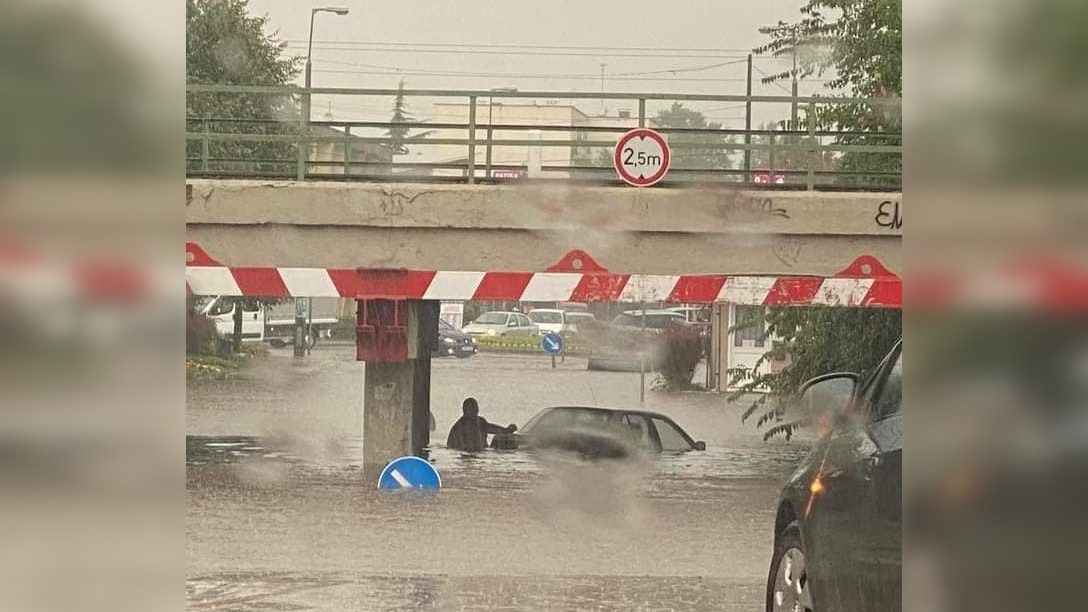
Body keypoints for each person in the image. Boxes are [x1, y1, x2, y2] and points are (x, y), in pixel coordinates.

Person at [446, 397, 516, 452]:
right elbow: (452, 446)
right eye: (471, 410)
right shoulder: (458, 428)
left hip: (481, 452)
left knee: (501, 438)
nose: (474, 411)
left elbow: (493, 429)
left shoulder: (479, 421)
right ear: (464, 411)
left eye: (475, 409)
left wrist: (507, 430)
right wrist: (507, 430)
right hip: (471, 452)